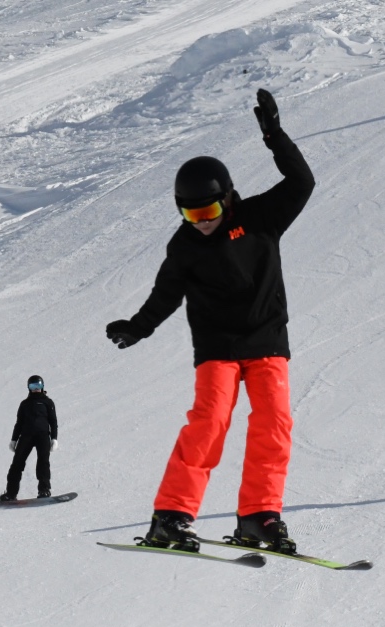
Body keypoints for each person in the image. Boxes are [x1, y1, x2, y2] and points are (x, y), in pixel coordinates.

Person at [105, 88, 315, 553]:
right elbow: (166, 293)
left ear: (228, 199)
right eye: (190, 213)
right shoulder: (184, 246)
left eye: (209, 211)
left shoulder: (261, 216)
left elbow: (302, 182)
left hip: (265, 341)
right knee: (210, 422)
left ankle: (259, 518)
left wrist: (275, 137)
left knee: (274, 423)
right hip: (218, 347)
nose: (201, 222)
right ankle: (171, 518)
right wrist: (137, 327)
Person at [0, 375, 58, 501]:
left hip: (42, 436)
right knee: (17, 464)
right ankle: (11, 493)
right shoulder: (25, 404)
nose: (36, 389)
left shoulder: (48, 402)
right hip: (26, 436)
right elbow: (19, 422)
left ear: (42, 387)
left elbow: (53, 421)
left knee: (43, 462)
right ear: (29, 388)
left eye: (38, 386)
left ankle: (44, 490)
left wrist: (54, 438)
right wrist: (14, 439)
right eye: (33, 386)